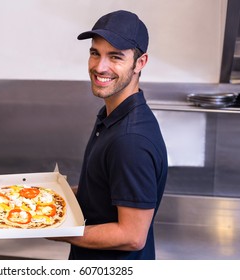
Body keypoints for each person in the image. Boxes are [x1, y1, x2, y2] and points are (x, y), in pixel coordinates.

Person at [50, 10, 168, 260]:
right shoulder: (113, 117)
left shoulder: (130, 139)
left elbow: (132, 236)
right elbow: (104, 188)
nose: (100, 66)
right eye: (95, 53)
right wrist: (46, 196)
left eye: (115, 57)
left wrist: (48, 228)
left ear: (140, 63)